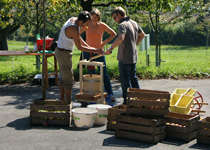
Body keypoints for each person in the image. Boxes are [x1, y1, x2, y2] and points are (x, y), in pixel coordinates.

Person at [55, 11, 103, 104]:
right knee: (69, 80)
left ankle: (62, 100)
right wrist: (94, 50)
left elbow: (79, 39)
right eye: (87, 23)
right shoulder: (73, 29)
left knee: (63, 78)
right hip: (64, 54)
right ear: (81, 21)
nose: (88, 25)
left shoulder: (74, 20)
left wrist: (92, 48)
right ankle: (68, 104)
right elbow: (79, 47)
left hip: (60, 51)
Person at [105, 6, 146, 104]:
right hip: (133, 56)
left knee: (125, 80)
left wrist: (110, 48)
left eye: (114, 18)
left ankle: (127, 102)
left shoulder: (123, 25)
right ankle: (139, 99)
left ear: (119, 15)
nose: (115, 20)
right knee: (133, 78)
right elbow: (142, 35)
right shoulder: (134, 23)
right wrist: (134, 44)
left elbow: (120, 38)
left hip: (125, 57)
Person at [80, 8, 117, 102]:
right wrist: (84, 45)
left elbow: (113, 34)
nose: (94, 18)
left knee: (104, 73)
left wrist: (104, 43)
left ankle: (110, 93)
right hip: (88, 52)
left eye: (96, 17)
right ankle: (94, 93)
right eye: (92, 16)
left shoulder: (102, 26)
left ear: (98, 17)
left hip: (99, 52)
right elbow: (77, 34)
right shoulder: (86, 25)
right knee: (91, 73)